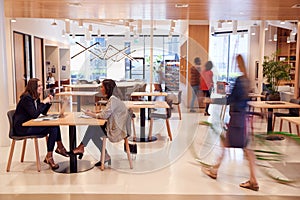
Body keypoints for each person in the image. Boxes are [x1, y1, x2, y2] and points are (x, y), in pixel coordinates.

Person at [202, 54, 259, 191]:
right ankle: (252, 180)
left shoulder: (240, 80)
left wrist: (212, 100)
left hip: (236, 118)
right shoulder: (247, 80)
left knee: (229, 145)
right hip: (242, 118)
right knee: (243, 148)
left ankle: (215, 171)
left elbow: (230, 99)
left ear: (238, 64)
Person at [72, 79, 132, 167]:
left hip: (117, 131)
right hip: (120, 128)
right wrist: (95, 113)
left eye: (102, 87)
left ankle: (81, 147)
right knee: (93, 132)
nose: (100, 89)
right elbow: (107, 113)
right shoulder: (115, 98)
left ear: (107, 88)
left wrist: (91, 114)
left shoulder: (113, 100)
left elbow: (103, 116)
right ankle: (103, 155)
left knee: (92, 128)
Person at [13, 78, 69, 170]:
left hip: (30, 124)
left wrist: (48, 103)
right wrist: (43, 102)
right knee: (53, 127)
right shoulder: (26, 98)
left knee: (55, 124)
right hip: (22, 128)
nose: (41, 87)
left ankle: (58, 148)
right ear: (33, 87)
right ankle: (51, 155)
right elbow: (35, 114)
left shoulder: (35, 97)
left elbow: (42, 112)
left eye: (41, 85)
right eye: (39, 86)